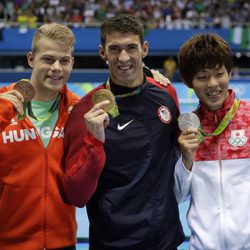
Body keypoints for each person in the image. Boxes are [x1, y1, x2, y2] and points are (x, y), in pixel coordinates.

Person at [63, 14, 184, 250]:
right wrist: (93, 142)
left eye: (131, 48)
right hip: (113, 243)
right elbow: (76, 195)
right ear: (102, 53)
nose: (124, 57)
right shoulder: (85, 111)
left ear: (144, 49)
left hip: (166, 240)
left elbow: (178, 156)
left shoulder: (166, 95)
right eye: (115, 49)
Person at [0, 23, 78, 249]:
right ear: (31, 59)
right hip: (9, 242)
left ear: (72, 63)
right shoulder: (3, 102)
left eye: (64, 60)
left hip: (62, 242)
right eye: (48, 59)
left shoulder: (78, 110)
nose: (56, 68)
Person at [174, 33, 250, 249]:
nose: (213, 84)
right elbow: (178, 197)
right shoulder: (186, 129)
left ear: (230, 73)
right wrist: (186, 159)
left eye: (219, 74)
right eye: (203, 77)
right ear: (189, 82)